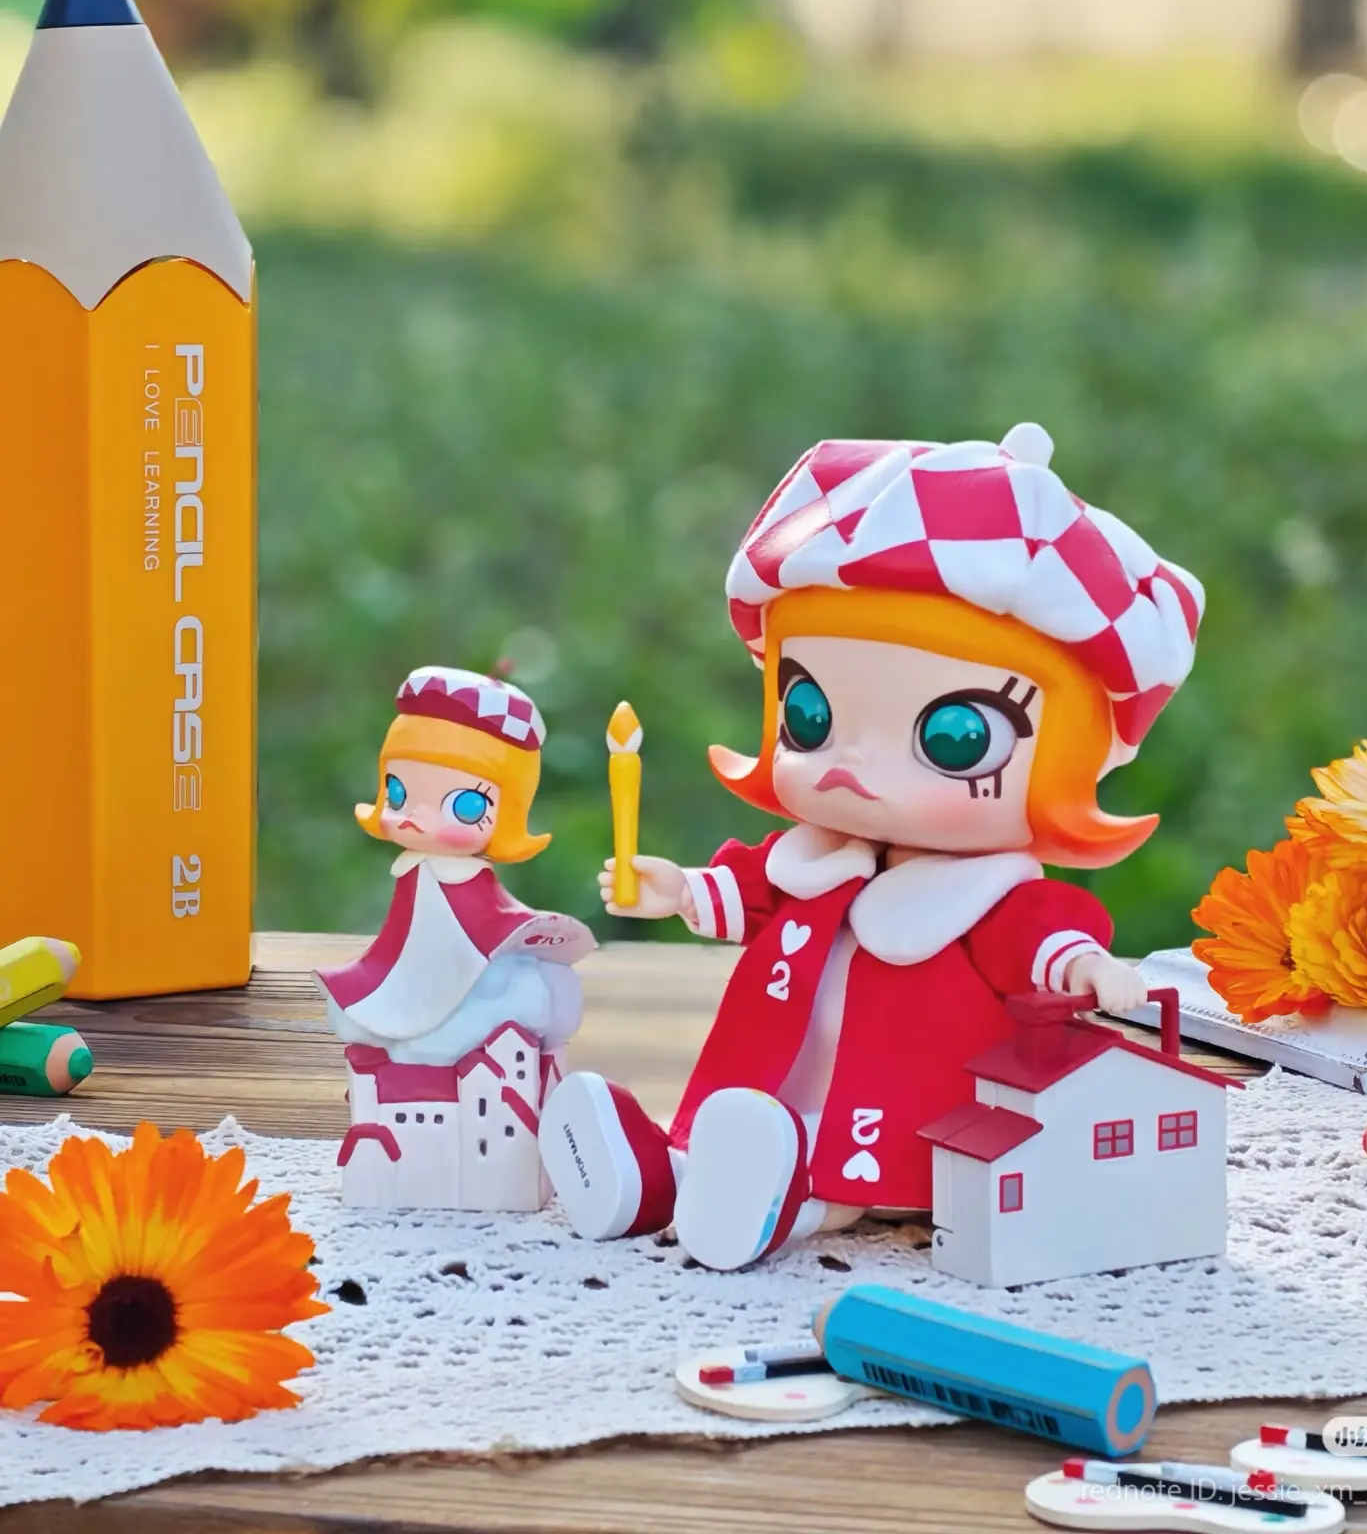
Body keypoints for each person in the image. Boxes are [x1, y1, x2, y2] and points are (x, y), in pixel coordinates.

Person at [539, 424, 1202, 1269]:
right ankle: (650, 1178)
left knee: (839, 1172)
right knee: (732, 1124)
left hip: (895, 1098)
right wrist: (677, 888)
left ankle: (787, 1207)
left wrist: (1088, 969)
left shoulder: (988, 895)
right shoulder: (816, 855)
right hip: (772, 1073)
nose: (853, 766)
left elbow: (1043, 939)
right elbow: (751, 890)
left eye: (956, 737)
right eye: (809, 714)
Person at [317, 665, 592, 1067]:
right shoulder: (413, 868)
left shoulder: (468, 879)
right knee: (358, 1006)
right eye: (397, 793)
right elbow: (399, 935)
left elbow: (492, 920)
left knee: (501, 996)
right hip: (413, 974)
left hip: (471, 977)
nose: (416, 818)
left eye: (465, 805)